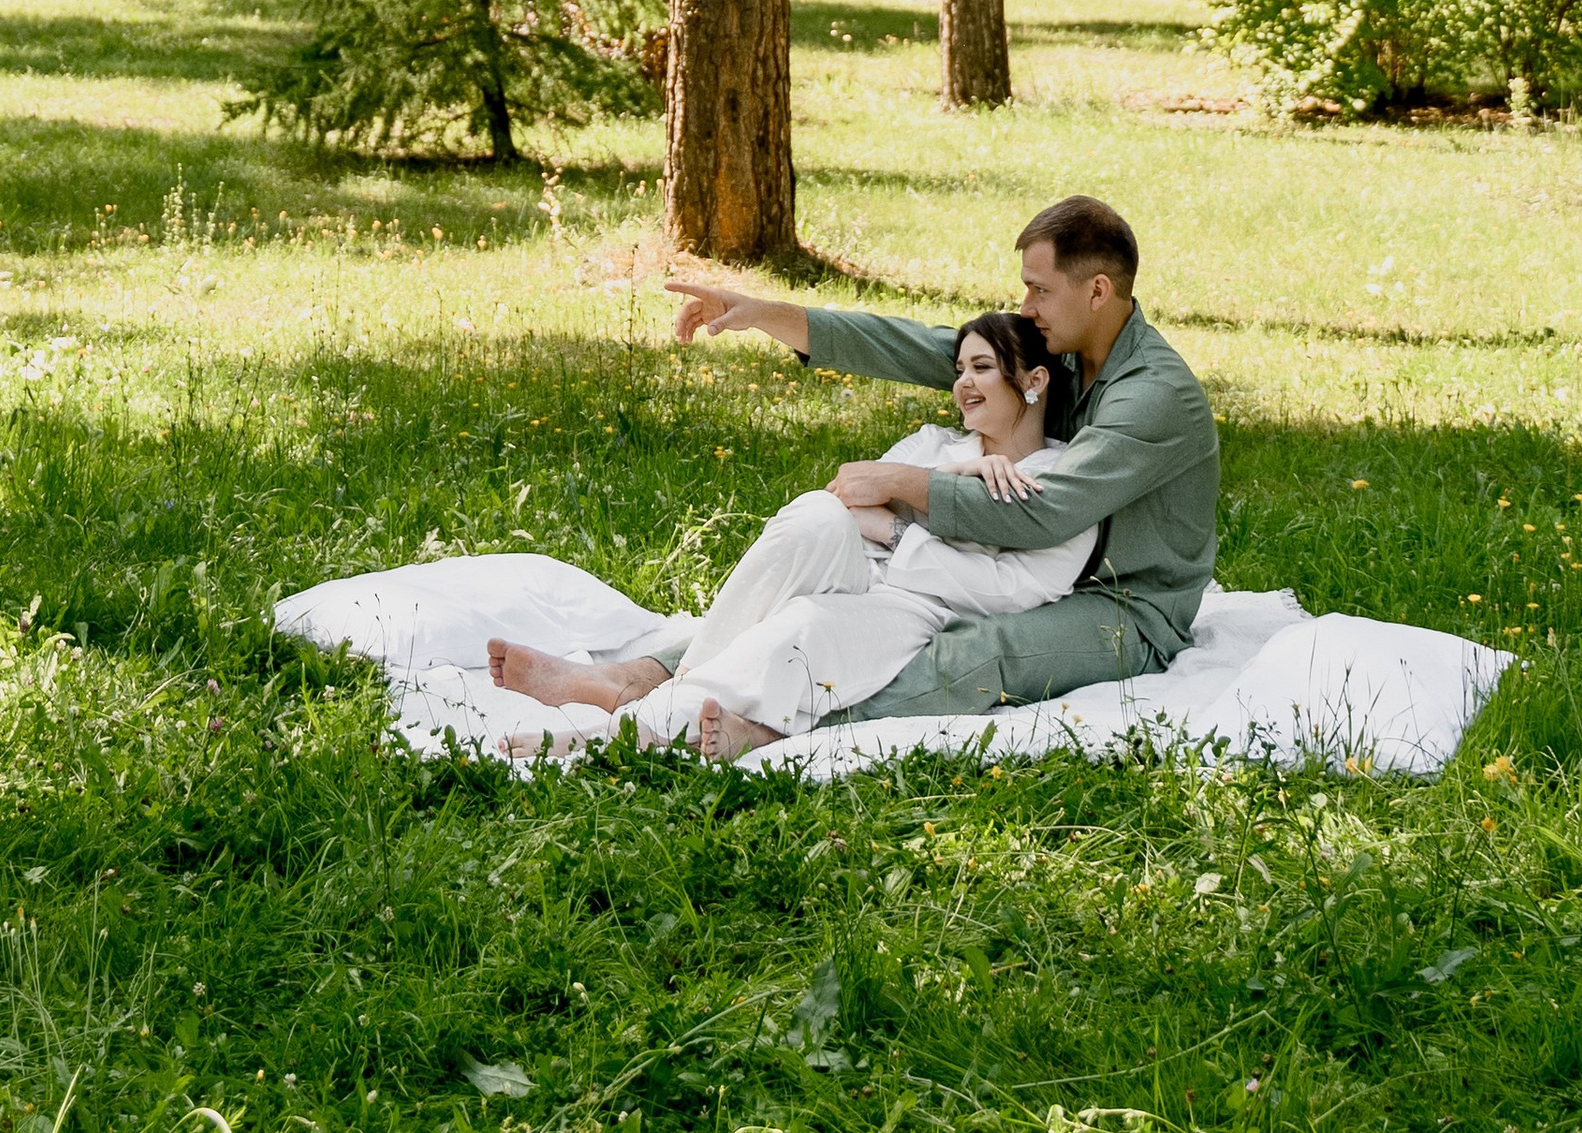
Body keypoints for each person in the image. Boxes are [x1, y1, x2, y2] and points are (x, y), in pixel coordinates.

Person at [662, 192, 1218, 728]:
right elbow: (914, 346)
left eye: (1039, 290)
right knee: (806, 597)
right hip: (1036, 572)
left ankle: (776, 727)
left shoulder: (1152, 395)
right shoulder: (1059, 354)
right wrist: (765, 313)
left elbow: (1044, 513)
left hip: (1123, 605)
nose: (1025, 307)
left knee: (979, 648)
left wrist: (901, 482)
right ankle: (660, 677)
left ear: (1097, 291)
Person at [488, 311, 1094, 758]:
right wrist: (953, 476)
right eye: (959, 368)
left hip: (918, 604)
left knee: (801, 625)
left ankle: (628, 730)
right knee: (812, 515)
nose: (963, 383)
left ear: (1034, 380)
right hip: (853, 560)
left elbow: (1013, 591)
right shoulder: (937, 447)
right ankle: (664, 694)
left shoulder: (1061, 480)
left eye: (982, 368)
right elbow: (843, 499)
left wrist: (894, 528)